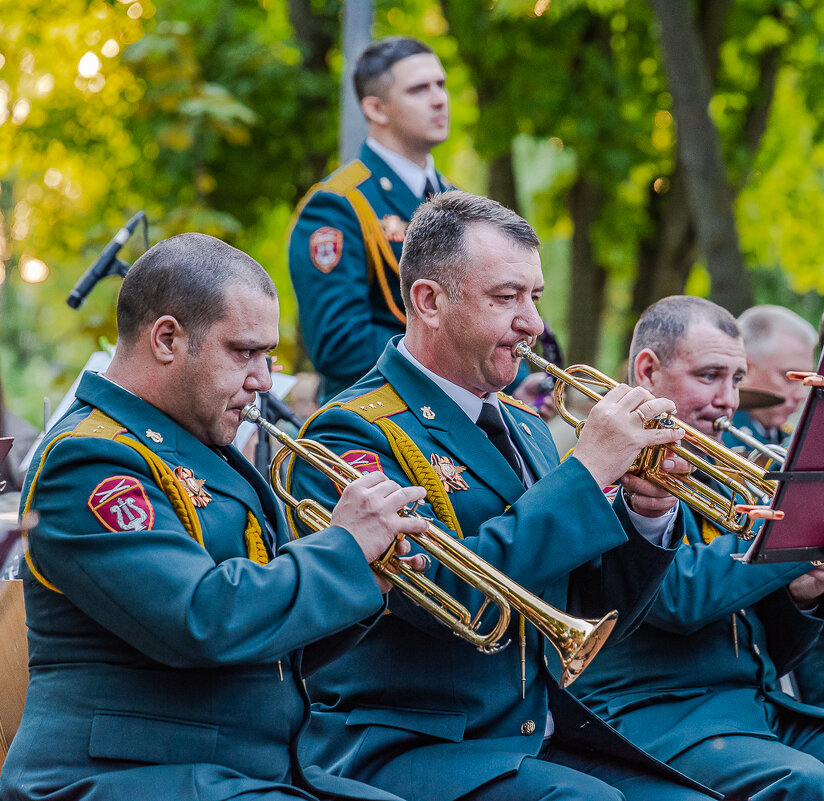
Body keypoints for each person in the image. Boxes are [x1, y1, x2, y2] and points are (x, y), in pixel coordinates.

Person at [288, 192, 721, 801]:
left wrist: (646, 513)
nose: (534, 324)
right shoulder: (353, 431)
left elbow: (591, 609)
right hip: (405, 742)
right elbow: (443, 595)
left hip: (528, 738)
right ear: (429, 301)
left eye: (535, 297)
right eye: (506, 297)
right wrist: (587, 471)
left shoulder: (526, 425)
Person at [0, 233, 431, 801]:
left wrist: (365, 580)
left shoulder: (202, 448)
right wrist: (343, 549)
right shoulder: (88, 457)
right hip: (123, 777)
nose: (262, 380)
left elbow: (268, 646)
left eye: (267, 357)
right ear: (167, 338)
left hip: (237, 770)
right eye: (244, 352)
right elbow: (199, 620)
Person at [570, 295, 824, 801]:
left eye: (737, 378)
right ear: (647, 370)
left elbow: (759, 644)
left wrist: (802, 595)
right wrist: (799, 527)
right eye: (710, 376)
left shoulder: (725, 472)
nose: (729, 399)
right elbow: (678, 599)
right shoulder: (605, 466)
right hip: (656, 715)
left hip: (750, 707)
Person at [288, 36, 452, 402]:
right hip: (378, 416)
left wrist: (518, 377)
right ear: (376, 109)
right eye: (419, 89)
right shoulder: (338, 205)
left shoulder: (456, 199)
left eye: (440, 84)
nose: (440, 99)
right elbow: (341, 345)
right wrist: (458, 354)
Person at [721, 304, 817, 451]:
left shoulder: (786, 437)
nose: (801, 395)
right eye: (789, 378)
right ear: (745, 369)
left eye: (805, 380)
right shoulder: (717, 438)